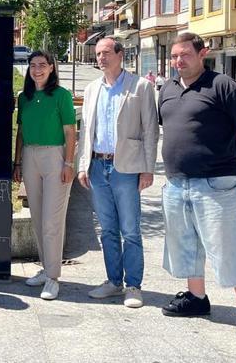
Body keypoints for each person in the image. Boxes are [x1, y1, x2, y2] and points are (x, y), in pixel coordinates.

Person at [158, 33, 236, 342]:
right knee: (187, 245)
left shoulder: (223, 86)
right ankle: (196, 299)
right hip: (178, 182)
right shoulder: (167, 88)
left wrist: (225, 151)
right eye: (175, 56)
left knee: (231, 245)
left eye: (185, 55)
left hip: (218, 183)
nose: (179, 61)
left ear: (202, 53)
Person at [77, 38, 159, 309]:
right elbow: (86, 130)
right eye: (98, 53)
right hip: (98, 167)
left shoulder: (140, 87)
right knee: (107, 230)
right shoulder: (91, 89)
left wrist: (148, 168)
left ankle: (133, 285)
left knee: (130, 230)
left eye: (106, 53)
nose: (101, 58)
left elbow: (150, 130)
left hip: (127, 167)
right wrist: (82, 166)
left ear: (120, 55)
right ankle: (114, 282)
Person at [13, 50, 77, 300]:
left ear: (51, 68)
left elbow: (70, 132)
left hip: (55, 157)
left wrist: (68, 163)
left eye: (42, 65)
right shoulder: (24, 97)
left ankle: (53, 277)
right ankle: (45, 266)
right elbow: (20, 131)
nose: (37, 69)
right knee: (38, 217)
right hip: (30, 157)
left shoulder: (61, 95)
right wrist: (17, 162)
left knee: (52, 219)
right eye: (32, 65)